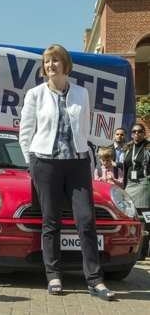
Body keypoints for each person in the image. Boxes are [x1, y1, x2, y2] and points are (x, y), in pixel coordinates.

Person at [19, 44, 115, 300]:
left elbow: (83, 130)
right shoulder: (35, 94)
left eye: (56, 61)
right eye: (47, 62)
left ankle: (95, 280)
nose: (51, 65)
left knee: (86, 221)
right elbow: (25, 133)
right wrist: (32, 163)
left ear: (66, 65)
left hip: (77, 164)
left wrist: (89, 163)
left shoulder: (82, 94)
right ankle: (54, 276)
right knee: (51, 222)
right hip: (46, 163)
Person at [123, 123, 150, 259]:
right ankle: (131, 248)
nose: (136, 134)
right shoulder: (127, 147)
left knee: (145, 218)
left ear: (144, 133)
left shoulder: (148, 146)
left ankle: (143, 252)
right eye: (134, 132)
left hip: (143, 183)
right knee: (130, 215)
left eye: (139, 132)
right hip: (129, 185)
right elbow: (125, 167)